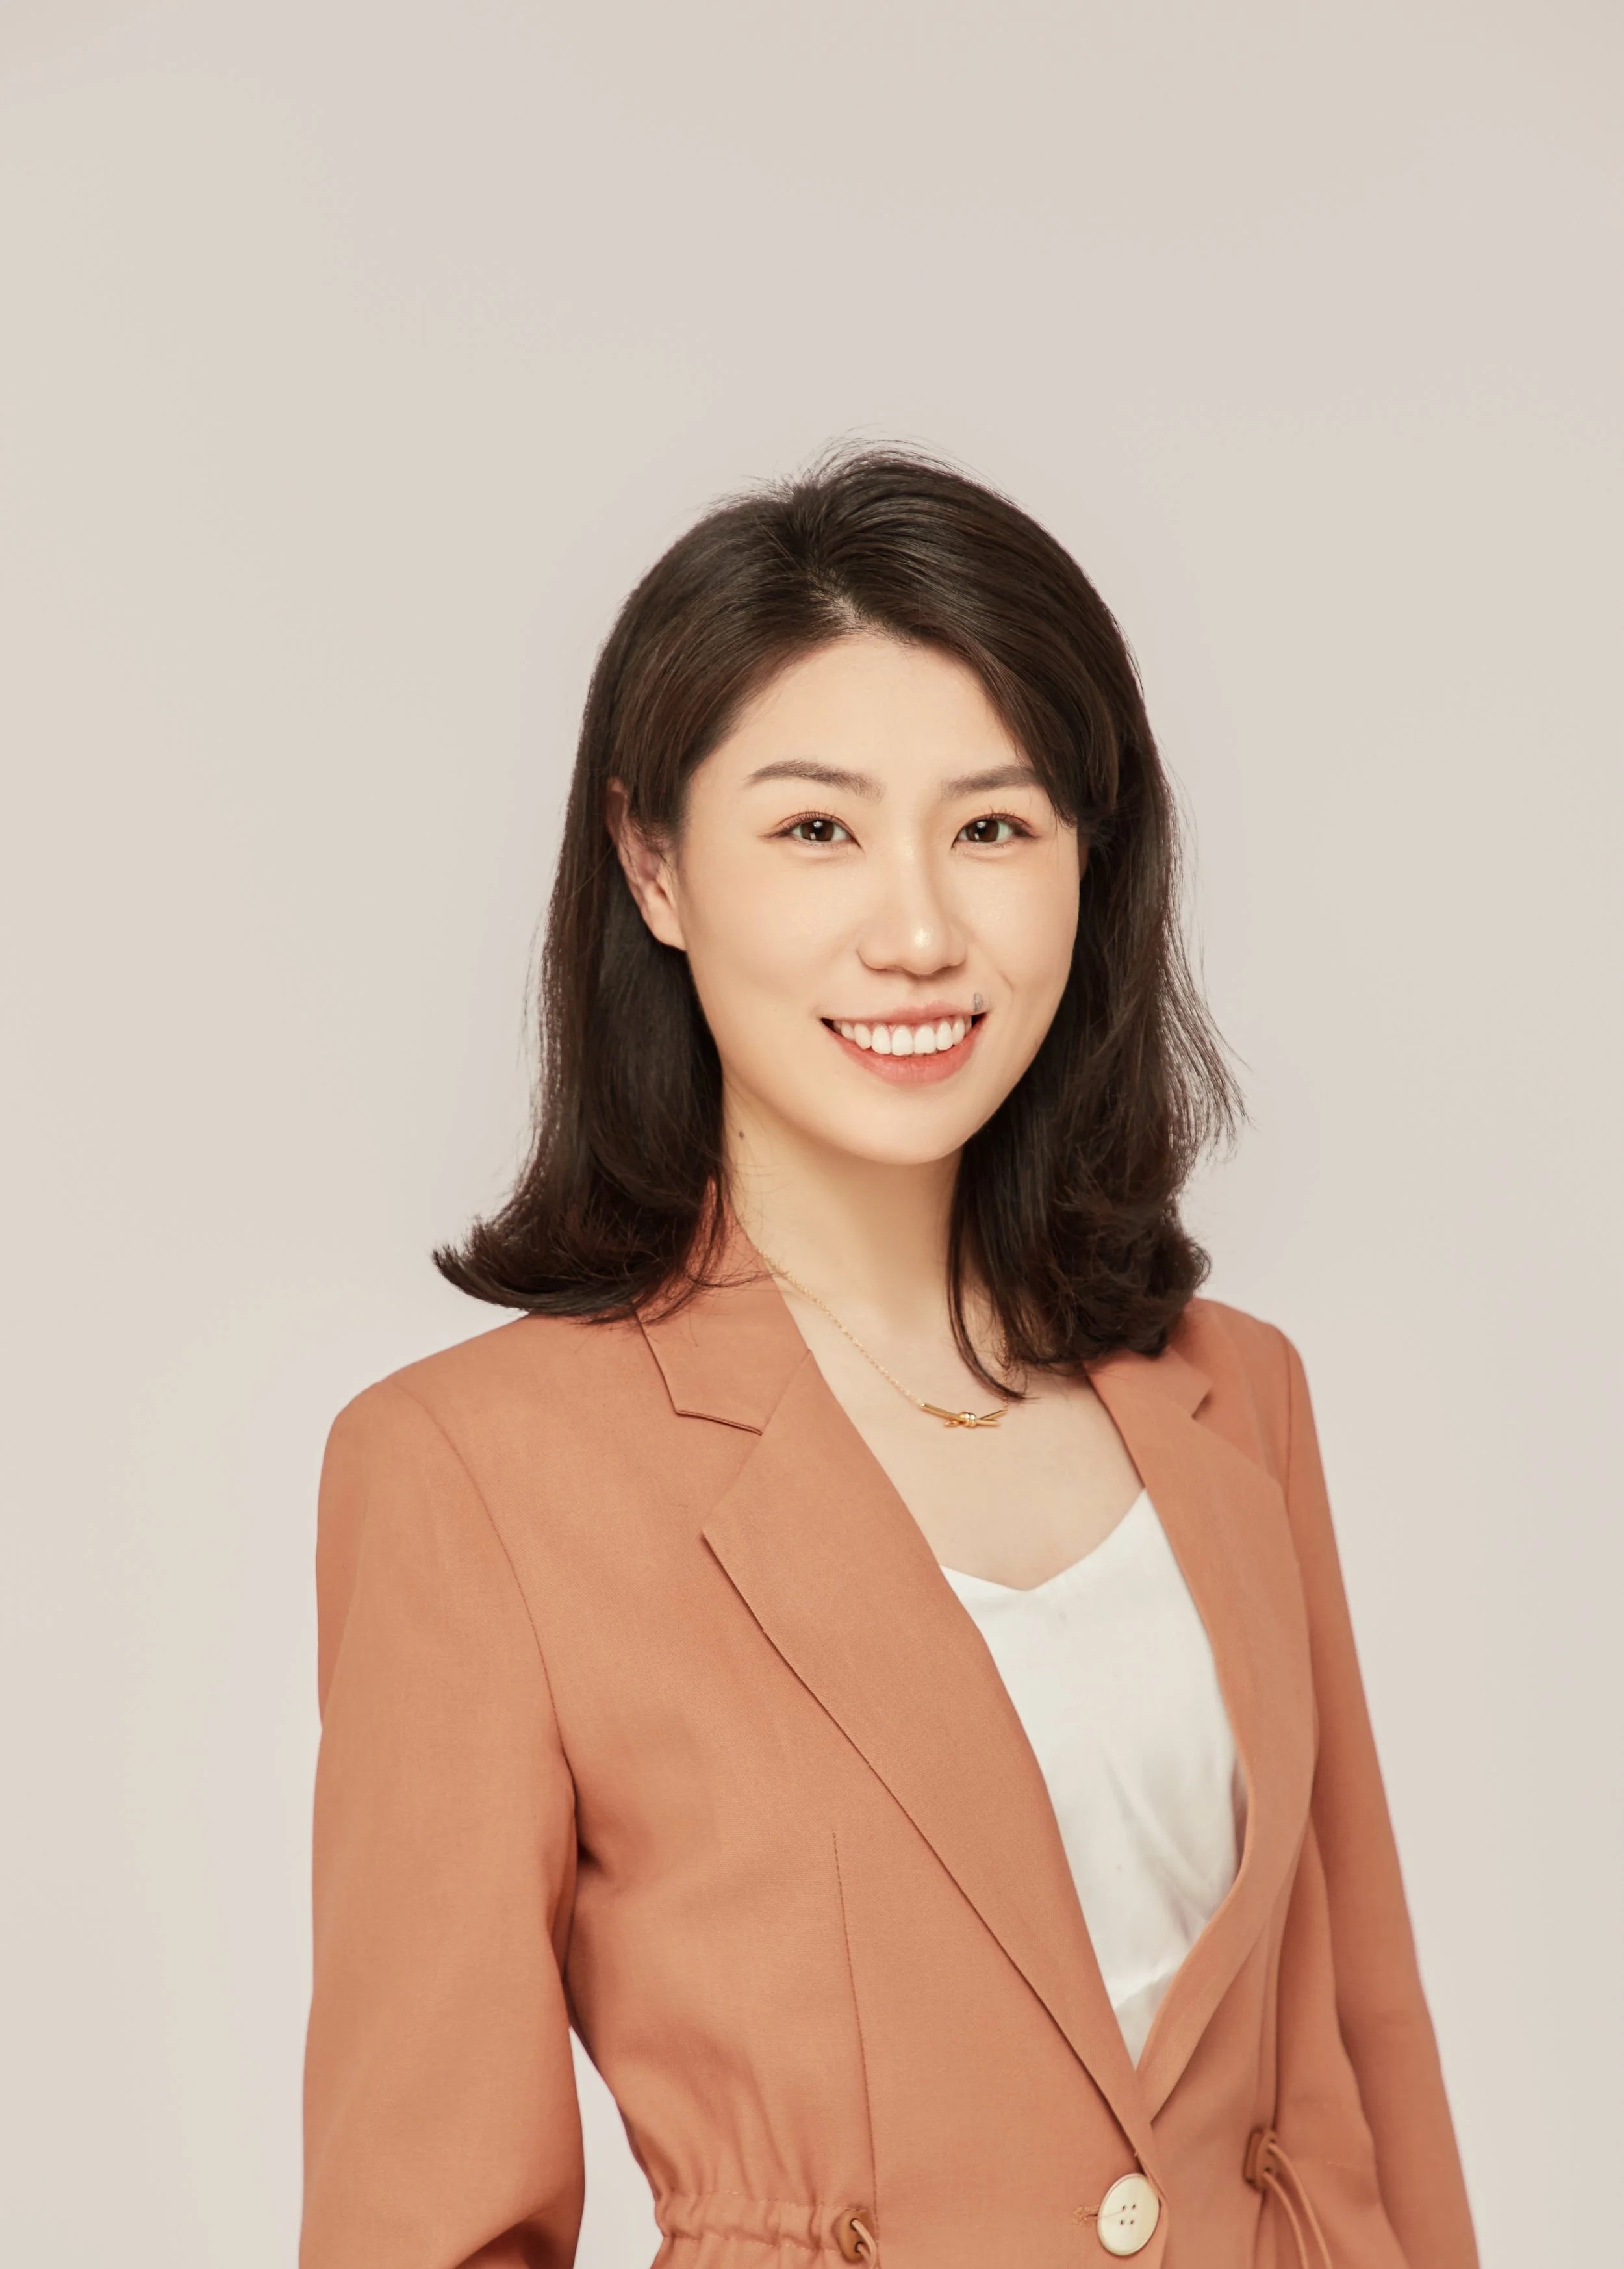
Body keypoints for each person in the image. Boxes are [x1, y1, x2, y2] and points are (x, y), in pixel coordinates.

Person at [300, 448, 1478, 2269]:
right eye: (815, 829)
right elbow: (426, 2223)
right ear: (652, 863)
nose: (919, 929)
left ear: (1092, 860)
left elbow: (1362, 2065)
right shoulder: (474, 1473)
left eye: (993, 828)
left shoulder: (1233, 1394)